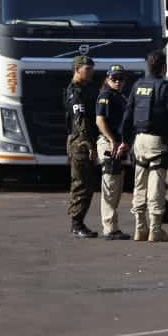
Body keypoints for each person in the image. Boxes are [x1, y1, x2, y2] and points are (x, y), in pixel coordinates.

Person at [121, 49, 168, 242]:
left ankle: (140, 228)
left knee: (139, 185)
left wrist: (126, 141)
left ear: (148, 66)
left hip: (139, 141)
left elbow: (127, 115)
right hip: (157, 141)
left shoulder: (138, 85)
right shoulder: (165, 88)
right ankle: (155, 230)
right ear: (163, 67)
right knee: (156, 187)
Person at [95, 65, 132, 241]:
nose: (117, 82)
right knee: (110, 187)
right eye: (114, 78)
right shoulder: (106, 96)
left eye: (120, 79)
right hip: (109, 144)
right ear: (107, 79)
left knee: (116, 186)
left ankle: (112, 226)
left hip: (119, 145)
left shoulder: (120, 96)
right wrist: (111, 140)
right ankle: (109, 228)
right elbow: (100, 120)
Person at [65, 55, 99, 239]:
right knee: (81, 184)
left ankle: (79, 222)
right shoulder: (75, 92)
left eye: (92, 68)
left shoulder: (87, 89)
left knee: (88, 183)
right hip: (81, 142)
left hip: (84, 141)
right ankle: (76, 224)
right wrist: (89, 144)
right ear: (77, 69)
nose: (91, 72)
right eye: (87, 69)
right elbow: (80, 120)